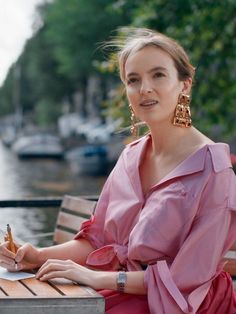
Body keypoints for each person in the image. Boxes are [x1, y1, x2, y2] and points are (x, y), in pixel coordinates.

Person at [0, 28, 236, 314]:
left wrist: (96, 277)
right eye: (133, 80)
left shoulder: (215, 170)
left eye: (158, 75)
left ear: (184, 85)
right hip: (120, 289)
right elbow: (98, 241)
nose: (144, 88)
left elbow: (185, 278)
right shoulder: (130, 156)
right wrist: (36, 255)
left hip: (183, 303)